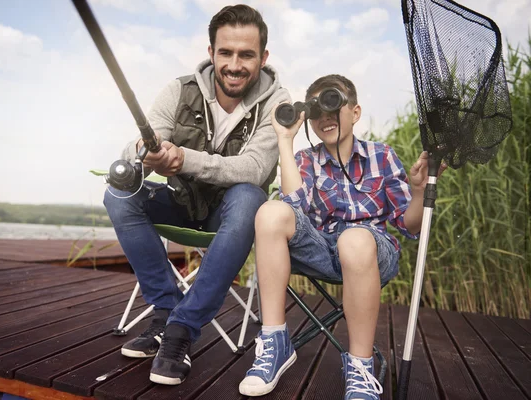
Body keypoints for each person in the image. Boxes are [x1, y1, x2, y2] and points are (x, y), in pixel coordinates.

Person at [103, 4, 290, 386]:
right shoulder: (178, 89)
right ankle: (166, 307)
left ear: (263, 57)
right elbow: (135, 150)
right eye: (226, 53)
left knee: (250, 197)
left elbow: (254, 168)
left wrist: (185, 158)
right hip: (181, 204)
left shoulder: (278, 104)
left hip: (231, 217)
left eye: (246, 55)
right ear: (211, 53)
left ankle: (181, 331)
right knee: (118, 194)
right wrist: (146, 150)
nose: (234, 64)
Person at [238, 74, 447, 399]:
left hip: (371, 255)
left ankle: (361, 367)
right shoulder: (306, 160)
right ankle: (275, 341)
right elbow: (295, 208)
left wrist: (418, 191)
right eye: (316, 109)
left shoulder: (382, 156)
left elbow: (411, 225)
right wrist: (285, 140)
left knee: (355, 239)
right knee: (270, 211)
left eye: (333, 103)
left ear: (356, 112)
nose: (325, 115)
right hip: (319, 250)